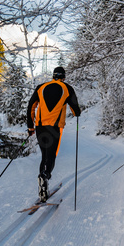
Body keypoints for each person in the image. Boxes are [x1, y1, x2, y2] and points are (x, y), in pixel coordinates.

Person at [27, 67, 81, 203]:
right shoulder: (67, 88)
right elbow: (75, 109)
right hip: (54, 128)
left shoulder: (41, 87)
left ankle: (42, 184)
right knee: (51, 156)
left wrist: (30, 126)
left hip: (40, 127)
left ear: (53, 76)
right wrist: (77, 113)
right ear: (64, 77)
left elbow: (31, 105)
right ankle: (44, 176)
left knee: (44, 155)